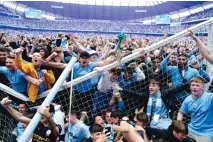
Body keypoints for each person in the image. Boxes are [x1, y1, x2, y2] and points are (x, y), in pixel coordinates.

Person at [113, 79, 190, 129]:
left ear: (159, 87)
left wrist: (190, 83)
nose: (151, 87)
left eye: (153, 85)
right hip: (150, 120)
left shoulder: (164, 93)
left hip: (164, 119)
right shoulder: (147, 95)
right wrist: (121, 89)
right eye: (150, 85)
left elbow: (178, 88)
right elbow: (135, 94)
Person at [177, 77, 213, 142]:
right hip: (191, 130)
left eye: (197, 85)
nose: (194, 87)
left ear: (203, 86)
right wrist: (179, 124)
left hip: (206, 133)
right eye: (192, 85)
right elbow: (180, 112)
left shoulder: (209, 97)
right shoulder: (187, 100)